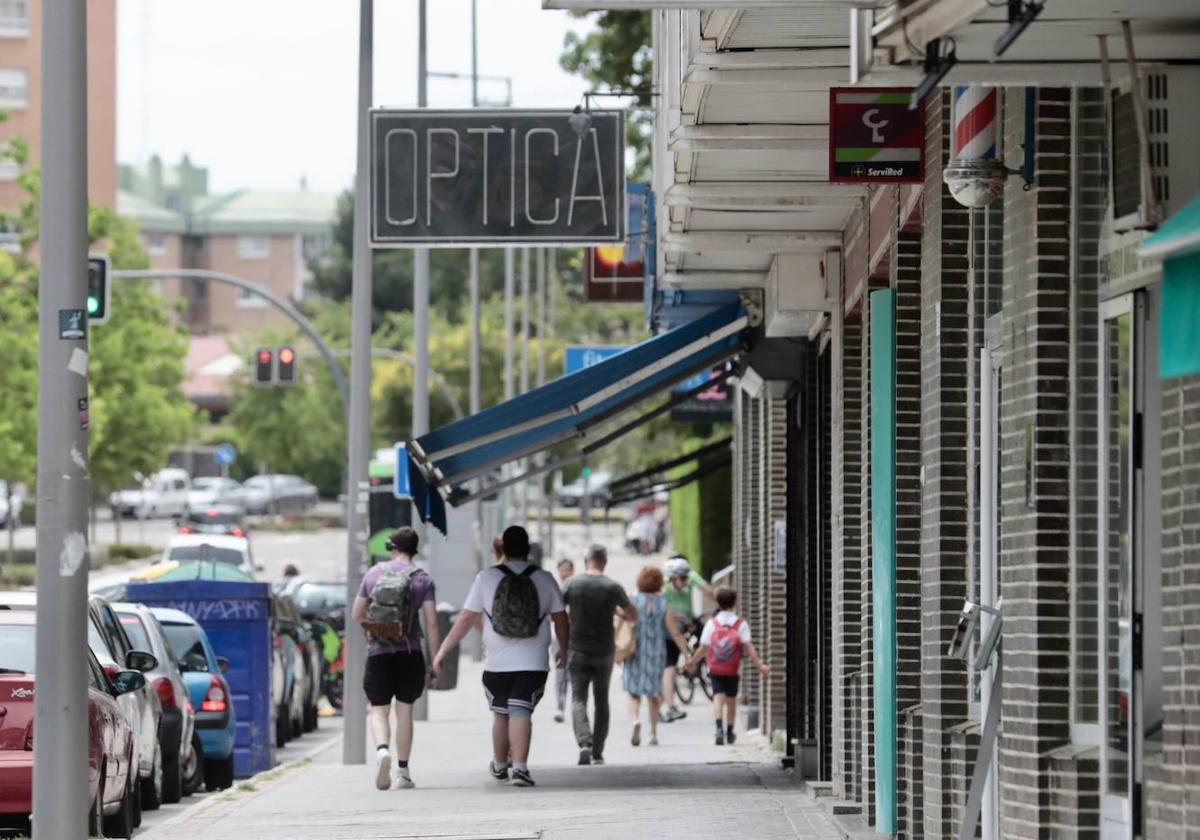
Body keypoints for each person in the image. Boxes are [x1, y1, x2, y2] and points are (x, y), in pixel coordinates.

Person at [433, 526, 568, 788]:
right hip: (533, 663)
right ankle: (520, 768)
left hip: (496, 664)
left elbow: (466, 618)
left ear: (503, 549)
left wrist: (442, 651)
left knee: (501, 714)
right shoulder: (545, 578)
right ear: (528, 549)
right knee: (521, 711)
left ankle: (499, 764)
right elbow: (561, 619)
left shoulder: (486, 578)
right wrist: (565, 649)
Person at [350, 527, 440, 790]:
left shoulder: (374, 573)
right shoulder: (423, 579)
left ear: (392, 548)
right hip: (410, 653)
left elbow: (357, 615)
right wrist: (435, 660)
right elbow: (432, 623)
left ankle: (381, 751)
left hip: (379, 653)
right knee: (405, 712)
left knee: (378, 710)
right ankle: (403, 772)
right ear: (415, 550)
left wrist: (376, 629)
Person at [561, 546, 636, 765]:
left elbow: (556, 612)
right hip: (604, 651)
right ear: (604, 561)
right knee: (601, 701)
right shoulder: (612, 587)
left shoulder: (572, 584)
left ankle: (584, 742)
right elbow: (633, 615)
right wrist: (616, 611)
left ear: (586, 560)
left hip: (578, 649)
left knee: (578, 698)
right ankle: (598, 751)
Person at [685, 586, 770, 746]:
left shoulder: (712, 623)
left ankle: (718, 729)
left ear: (717, 603)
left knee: (718, 698)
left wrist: (692, 661)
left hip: (715, 668)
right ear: (735, 603)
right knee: (731, 700)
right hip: (732, 668)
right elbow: (749, 648)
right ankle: (730, 732)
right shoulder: (740, 624)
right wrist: (760, 666)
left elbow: (704, 647)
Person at [622, 565, 689, 748]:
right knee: (653, 694)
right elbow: (674, 632)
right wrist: (687, 653)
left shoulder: (632, 600)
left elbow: (622, 618)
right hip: (656, 652)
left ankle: (635, 720)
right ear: (659, 582)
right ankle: (653, 733)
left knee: (633, 692)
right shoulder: (663, 603)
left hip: (635, 650)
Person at [661, 556, 714, 722]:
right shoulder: (664, 589)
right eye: (681, 578)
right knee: (669, 666)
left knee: (708, 636)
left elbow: (708, 590)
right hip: (670, 629)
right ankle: (670, 705)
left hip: (688, 622)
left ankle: (701, 662)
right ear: (671, 578)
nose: (685, 581)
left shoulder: (690, 578)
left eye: (686, 577)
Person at [551, 558, 576, 723]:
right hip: (557, 638)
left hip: (575, 636)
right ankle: (560, 707)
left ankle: (576, 706)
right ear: (558, 572)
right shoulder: (555, 591)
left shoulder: (576, 591)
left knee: (574, 672)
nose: (565, 573)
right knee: (560, 671)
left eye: (568, 570)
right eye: (563, 570)